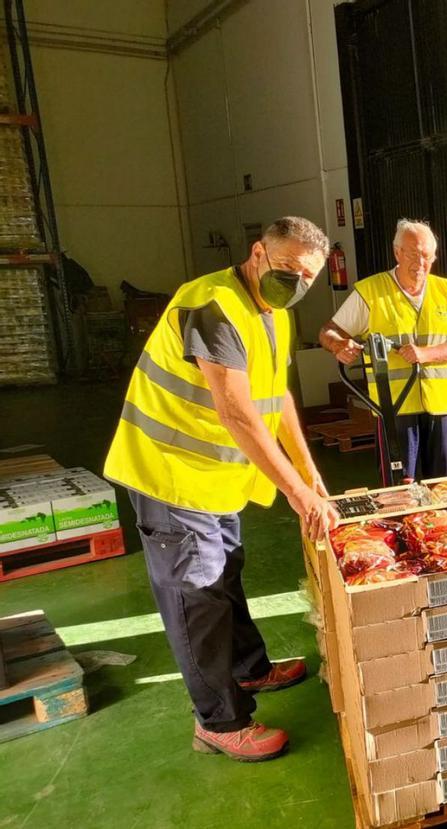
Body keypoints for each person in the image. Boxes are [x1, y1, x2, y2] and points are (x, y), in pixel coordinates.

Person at [103, 216, 339, 763]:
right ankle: (219, 721)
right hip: (172, 475)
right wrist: (298, 496)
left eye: (307, 276)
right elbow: (237, 414)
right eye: (287, 269)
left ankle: (248, 671)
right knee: (197, 596)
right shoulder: (213, 304)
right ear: (257, 253)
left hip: (216, 481)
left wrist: (311, 473)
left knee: (225, 574)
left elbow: (275, 399)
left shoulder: (273, 313)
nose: (296, 283)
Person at [319, 219, 447, 481]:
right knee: (399, 487)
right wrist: (338, 344)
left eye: (426, 255)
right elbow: (328, 331)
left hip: (442, 407)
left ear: (434, 257)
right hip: (394, 409)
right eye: (413, 254)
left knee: (443, 484)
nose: (420, 262)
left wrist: (425, 354)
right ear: (397, 252)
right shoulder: (370, 292)